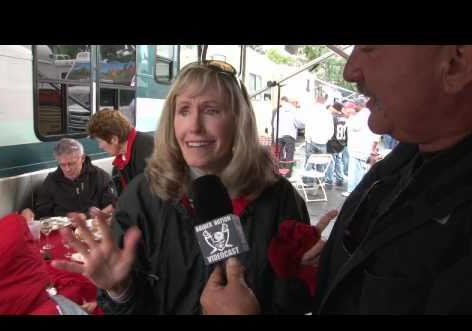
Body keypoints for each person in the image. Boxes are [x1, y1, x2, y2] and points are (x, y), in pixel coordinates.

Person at [200, 45, 472, 315]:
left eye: (369, 48)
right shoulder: (398, 167)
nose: (349, 71)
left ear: (457, 63)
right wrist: (327, 269)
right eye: (183, 109)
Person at [52, 60, 334, 314]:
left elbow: (294, 303)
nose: (195, 126)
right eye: (184, 110)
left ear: (238, 119)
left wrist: (305, 274)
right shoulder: (142, 196)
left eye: (211, 110)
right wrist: (120, 290)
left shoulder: (279, 197)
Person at [21, 138, 116, 220]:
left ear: (82, 158)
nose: (67, 169)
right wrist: (30, 212)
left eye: (71, 163)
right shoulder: (52, 180)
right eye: (62, 164)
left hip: (93, 228)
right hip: (62, 231)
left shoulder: (99, 176)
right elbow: (42, 210)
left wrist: (87, 216)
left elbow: (112, 205)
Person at [87, 109, 155, 196]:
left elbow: (153, 198)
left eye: (100, 141)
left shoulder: (148, 152)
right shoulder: (121, 161)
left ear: (114, 139)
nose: (100, 146)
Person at [341, 98, 380, 197]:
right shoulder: (370, 114)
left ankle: (352, 190)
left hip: (358, 148)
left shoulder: (362, 115)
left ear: (358, 106)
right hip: (365, 147)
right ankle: (359, 190)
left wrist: (349, 116)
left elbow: (354, 126)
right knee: (361, 170)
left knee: (354, 170)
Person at [303, 96, 334, 169]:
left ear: (316, 101)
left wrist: (308, 138)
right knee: (321, 162)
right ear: (324, 103)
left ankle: (308, 179)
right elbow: (331, 129)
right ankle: (319, 178)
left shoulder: (311, 111)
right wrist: (327, 138)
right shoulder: (328, 113)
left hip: (311, 141)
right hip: (323, 142)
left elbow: (308, 125)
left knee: (309, 161)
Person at [325, 102, 348, 187]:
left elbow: (329, 131)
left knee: (331, 161)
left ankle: (329, 179)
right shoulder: (343, 118)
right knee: (339, 161)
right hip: (341, 143)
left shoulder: (332, 118)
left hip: (333, 142)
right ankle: (340, 178)